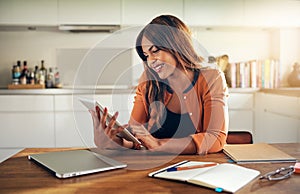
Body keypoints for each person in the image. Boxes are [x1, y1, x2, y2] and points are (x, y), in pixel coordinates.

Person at [90, 15, 229, 155]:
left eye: (155, 51)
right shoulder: (148, 82)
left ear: (177, 45)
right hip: (155, 166)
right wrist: (113, 142)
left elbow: (215, 139)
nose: (150, 61)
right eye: (146, 55)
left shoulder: (211, 78)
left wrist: (159, 144)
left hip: (197, 167)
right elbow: (137, 138)